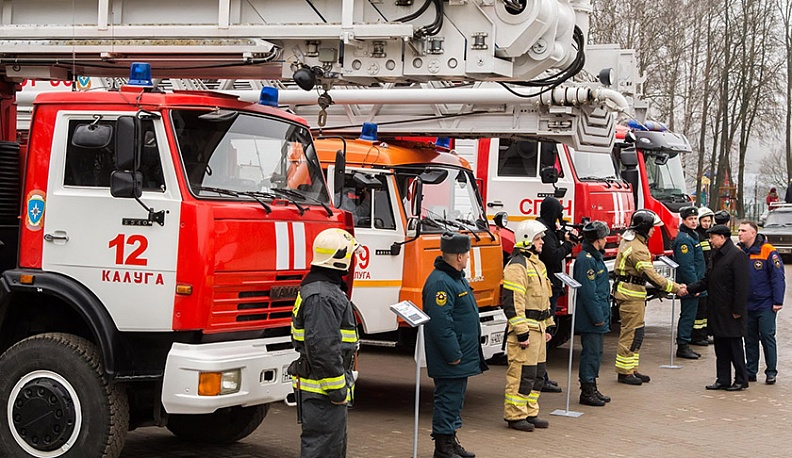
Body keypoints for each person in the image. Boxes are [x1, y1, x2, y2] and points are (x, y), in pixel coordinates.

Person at [290, 228, 361, 458]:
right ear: (339, 260)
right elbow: (322, 348)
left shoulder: (323, 291)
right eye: (350, 255)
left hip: (322, 390)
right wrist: (338, 390)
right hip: (323, 391)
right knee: (323, 448)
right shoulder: (322, 297)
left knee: (330, 446)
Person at [423, 232, 487, 458]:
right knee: (447, 399)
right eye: (467, 254)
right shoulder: (441, 281)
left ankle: (450, 439)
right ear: (459, 256)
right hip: (452, 357)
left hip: (459, 355)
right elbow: (441, 324)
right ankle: (443, 446)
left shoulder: (455, 277)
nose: (469, 257)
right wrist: (453, 354)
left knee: (454, 399)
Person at [613, 209, 684, 385]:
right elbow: (651, 275)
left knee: (637, 333)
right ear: (644, 227)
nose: (654, 230)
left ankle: (632, 369)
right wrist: (675, 288)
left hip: (631, 293)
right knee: (631, 333)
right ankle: (625, 372)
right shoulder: (637, 248)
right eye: (652, 227)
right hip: (631, 295)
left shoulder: (632, 240)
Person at [501, 220, 554, 431]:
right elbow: (514, 303)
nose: (542, 242)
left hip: (539, 330)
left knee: (537, 374)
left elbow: (545, 299)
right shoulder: (517, 266)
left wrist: (549, 325)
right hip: (526, 331)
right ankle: (515, 415)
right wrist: (522, 333)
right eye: (538, 238)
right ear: (526, 241)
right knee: (522, 375)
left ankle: (530, 411)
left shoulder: (538, 264)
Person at [687, 225, 750, 391]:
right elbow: (707, 280)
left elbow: (741, 287)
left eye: (713, 237)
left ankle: (741, 379)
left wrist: (738, 310)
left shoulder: (737, 255)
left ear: (723, 237)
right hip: (717, 310)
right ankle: (723, 379)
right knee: (720, 347)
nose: (710, 240)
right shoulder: (716, 255)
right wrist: (689, 288)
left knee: (734, 347)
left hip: (731, 312)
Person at [536, 196, 577, 393]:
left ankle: (541, 375)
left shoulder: (545, 229)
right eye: (559, 213)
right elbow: (553, 256)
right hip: (547, 287)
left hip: (549, 285)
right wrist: (568, 245)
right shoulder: (544, 232)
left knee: (546, 333)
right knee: (545, 333)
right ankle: (540, 377)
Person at [737, 221, 785, 384]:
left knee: (766, 336)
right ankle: (751, 371)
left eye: (743, 230)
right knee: (749, 339)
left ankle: (771, 371)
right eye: (739, 230)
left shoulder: (768, 251)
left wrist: (778, 301)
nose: (740, 233)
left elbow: (778, 277)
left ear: (753, 233)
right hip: (747, 304)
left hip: (765, 303)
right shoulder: (739, 251)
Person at [573, 221, 612, 407]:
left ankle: (593, 386)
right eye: (604, 237)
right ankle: (587, 390)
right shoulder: (586, 260)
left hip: (599, 315)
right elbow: (589, 293)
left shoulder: (595, 257)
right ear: (597, 240)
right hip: (592, 318)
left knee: (596, 353)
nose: (606, 241)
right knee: (590, 354)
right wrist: (598, 317)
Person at [672, 206, 706, 359]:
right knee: (688, 315)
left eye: (694, 219)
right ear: (684, 220)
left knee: (691, 315)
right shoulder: (684, 240)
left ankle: (685, 343)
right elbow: (686, 266)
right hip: (690, 285)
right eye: (690, 219)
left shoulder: (692, 236)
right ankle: (683, 346)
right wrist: (694, 286)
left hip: (696, 283)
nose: (693, 222)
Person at [691, 207, 715, 346]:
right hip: (702, 275)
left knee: (705, 308)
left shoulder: (708, 235)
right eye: (704, 221)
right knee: (700, 309)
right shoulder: (698, 236)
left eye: (709, 221)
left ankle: (704, 333)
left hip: (707, 275)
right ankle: (697, 336)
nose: (707, 223)